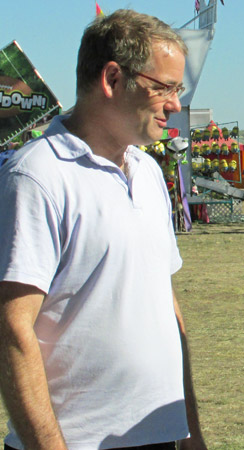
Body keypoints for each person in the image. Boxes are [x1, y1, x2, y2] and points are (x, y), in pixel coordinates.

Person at [0, 10, 208, 450]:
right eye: (164, 88)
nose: (175, 104)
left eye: (178, 89)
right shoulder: (37, 176)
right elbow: (11, 329)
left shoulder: (149, 171)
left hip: (161, 435)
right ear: (112, 78)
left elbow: (164, 306)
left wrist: (190, 432)